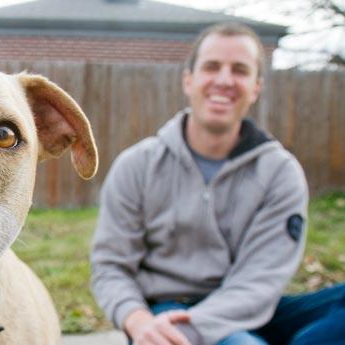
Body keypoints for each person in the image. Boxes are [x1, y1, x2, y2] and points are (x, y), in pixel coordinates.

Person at [89, 22, 345, 345]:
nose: (224, 80)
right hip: (167, 311)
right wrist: (139, 322)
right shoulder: (136, 166)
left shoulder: (280, 173)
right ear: (189, 80)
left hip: (251, 310)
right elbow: (110, 266)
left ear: (255, 87)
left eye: (240, 70)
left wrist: (198, 326)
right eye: (212, 67)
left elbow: (260, 282)